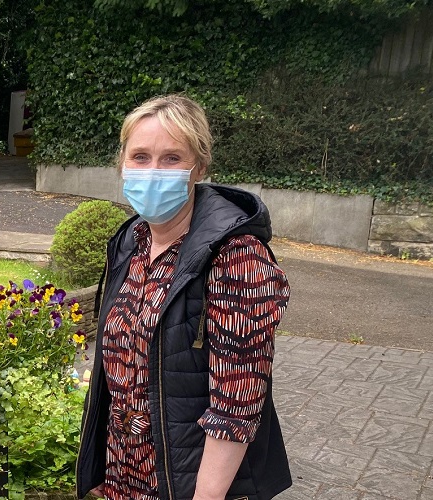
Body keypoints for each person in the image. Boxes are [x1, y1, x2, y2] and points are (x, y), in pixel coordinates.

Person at [76, 95, 292, 500]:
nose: (153, 171)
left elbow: (238, 402)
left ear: (200, 167)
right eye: (140, 156)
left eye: (172, 158)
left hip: (192, 483)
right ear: (122, 162)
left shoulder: (236, 254)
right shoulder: (130, 242)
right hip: (126, 474)